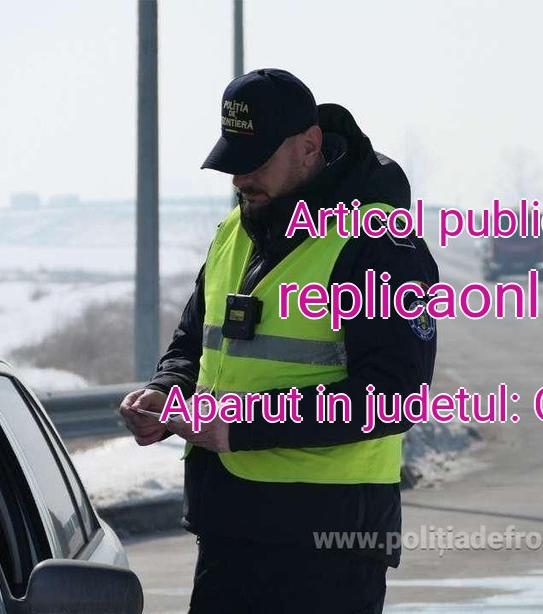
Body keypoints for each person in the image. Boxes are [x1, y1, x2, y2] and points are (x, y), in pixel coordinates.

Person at [118, 68, 438, 613]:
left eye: (256, 160)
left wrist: (241, 426)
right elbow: (195, 341)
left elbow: (395, 394)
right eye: (233, 162)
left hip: (329, 543)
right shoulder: (234, 230)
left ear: (309, 146)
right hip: (228, 525)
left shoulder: (380, 242)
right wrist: (166, 389)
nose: (241, 178)